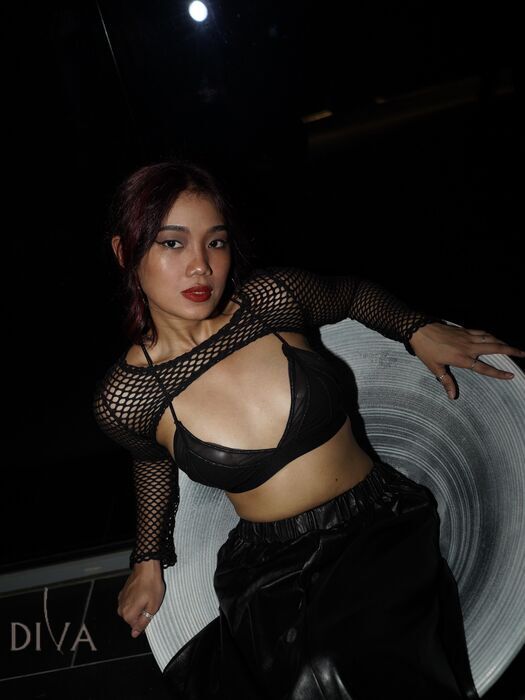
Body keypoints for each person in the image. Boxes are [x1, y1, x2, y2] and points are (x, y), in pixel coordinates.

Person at [92, 158, 524, 699]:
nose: (201, 266)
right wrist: (147, 557)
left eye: (216, 242)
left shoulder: (271, 302)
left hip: (374, 527)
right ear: (124, 252)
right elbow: (152, 460)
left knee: (331, 664)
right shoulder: (128, 398)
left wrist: (416, 329)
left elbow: (351, 295)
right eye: (173, 243)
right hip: (267, 565)